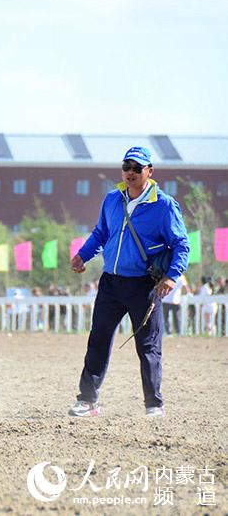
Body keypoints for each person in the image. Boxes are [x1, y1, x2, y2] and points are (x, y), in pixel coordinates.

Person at [69, 146, 189, 418]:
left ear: (149, 171)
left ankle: (154, 405)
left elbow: (181, 244)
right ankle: (87, 401)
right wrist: (82, 255)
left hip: (143, 286)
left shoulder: (164, 205)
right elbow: (100, 233)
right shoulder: (113, 199)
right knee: (97, 339)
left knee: (148, 347)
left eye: (137, 167)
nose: (131, 172)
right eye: (127, 167)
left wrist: (171, 276)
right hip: (110, 283)